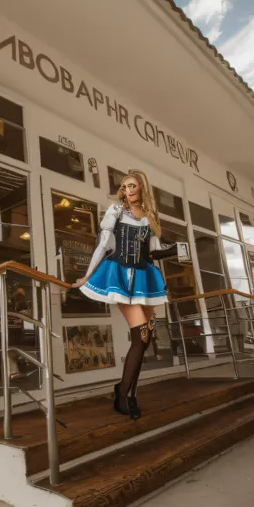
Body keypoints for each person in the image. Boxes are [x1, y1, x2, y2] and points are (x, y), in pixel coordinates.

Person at [71, 170, 168, 420]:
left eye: (133, 185)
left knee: (145, 340)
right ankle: (123, 396)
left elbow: (153, 252)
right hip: (122, 276)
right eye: (125, 187)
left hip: (144, 277)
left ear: (142, 187)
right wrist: (87, 275)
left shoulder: (150, 216)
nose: (129, 190)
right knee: (141, 335)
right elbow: (103, 245)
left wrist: (175, 252)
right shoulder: (116, 211)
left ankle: (128, 391)